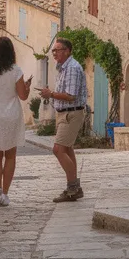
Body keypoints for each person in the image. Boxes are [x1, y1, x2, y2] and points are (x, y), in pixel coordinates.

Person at [0, 37, 32, 206]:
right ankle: (6, 194)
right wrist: (27, 87)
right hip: (11, 115)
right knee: (10, 156)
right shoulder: (16, 71)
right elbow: (22, 96)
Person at [37, 36, 87, 202]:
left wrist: (50, 94)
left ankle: (73, 187)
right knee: (67, 149)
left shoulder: (72, 68)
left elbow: (71, 96)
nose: (54, 53)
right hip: (64, 113)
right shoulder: (63, 68)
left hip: (70, 113)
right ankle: (73, 188)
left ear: (67, 51)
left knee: (58, 150)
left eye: (57, 50)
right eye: (53, 50)